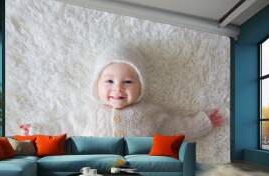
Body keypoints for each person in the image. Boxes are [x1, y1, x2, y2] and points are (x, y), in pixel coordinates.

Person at [79, 44, 223, 140]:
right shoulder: (89, 111)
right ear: (96, 85)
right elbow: (67, 129)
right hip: (94, 170)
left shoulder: (148, 112)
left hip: (137, 170)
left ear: (141, 86)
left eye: (128, 82)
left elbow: (175, 127)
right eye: (109, 81)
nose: (118, 88)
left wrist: (201, 122)